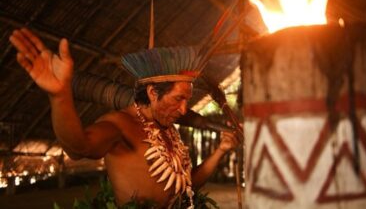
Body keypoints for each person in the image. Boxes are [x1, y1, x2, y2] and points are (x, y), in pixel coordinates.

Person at [9, 28, 240, 208]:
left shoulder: (167, 126)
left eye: (187, 101)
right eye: (178, 99)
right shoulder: (120, 126)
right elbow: (78, 147)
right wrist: (59, 96)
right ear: (152, 92)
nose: (183, 110)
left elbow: (186, 186)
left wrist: (220, 151)